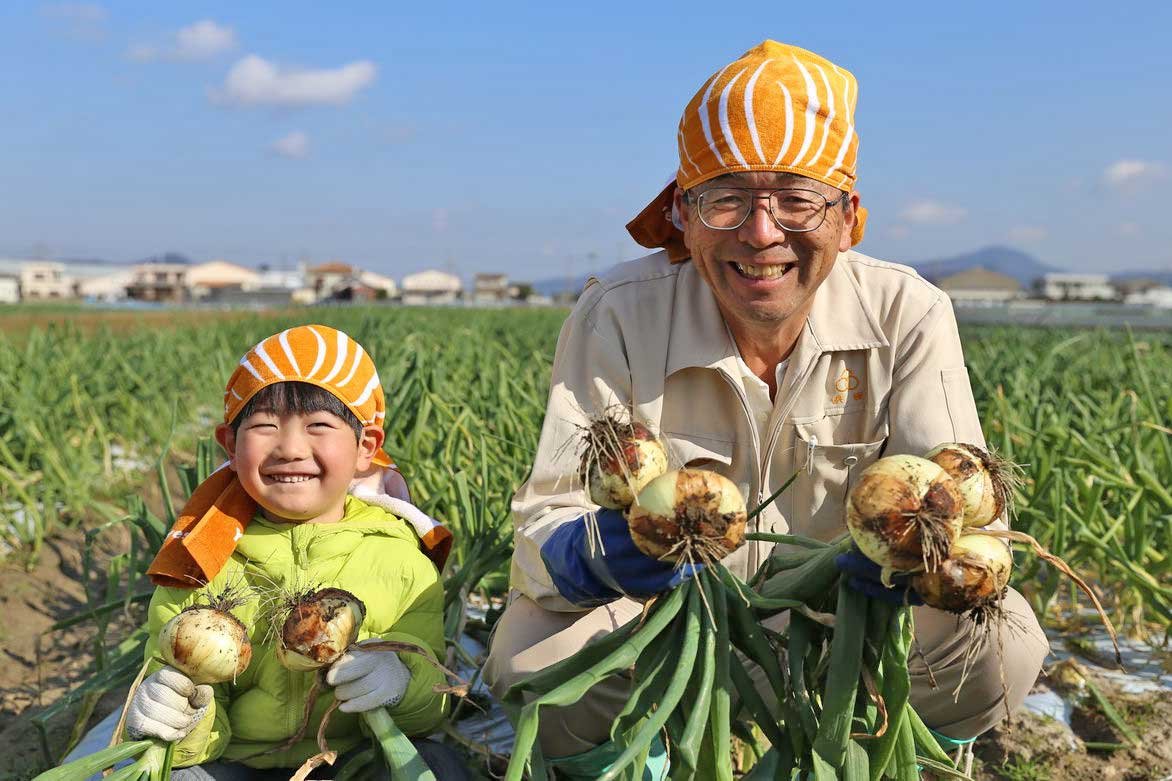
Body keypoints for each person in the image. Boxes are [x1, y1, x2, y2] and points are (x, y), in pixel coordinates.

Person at [484, 40, 1049, 778]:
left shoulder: (908, 311)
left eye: (796, 198)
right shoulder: (618, 313)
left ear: (846, 216)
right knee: (531, 655)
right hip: (665, 637)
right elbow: (543, 521)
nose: (761, 232)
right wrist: (593, 551)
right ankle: (645, 758)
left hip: (846, 631)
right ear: (682, 216)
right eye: (726, 198)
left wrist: (909, 557)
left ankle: (886, 753)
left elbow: (971, 511)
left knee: (1005, 644)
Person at [124, 324, 464, 779]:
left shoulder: (402, 560)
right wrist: (180, 718)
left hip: (354, 760)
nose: (289, 448)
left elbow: (431, 711)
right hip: (236, 763)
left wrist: (403, 684)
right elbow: (192, 727)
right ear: (230, 444)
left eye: (318, 426)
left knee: (437, 766)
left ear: (366, 448)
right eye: (264, 426)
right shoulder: (201, 562)